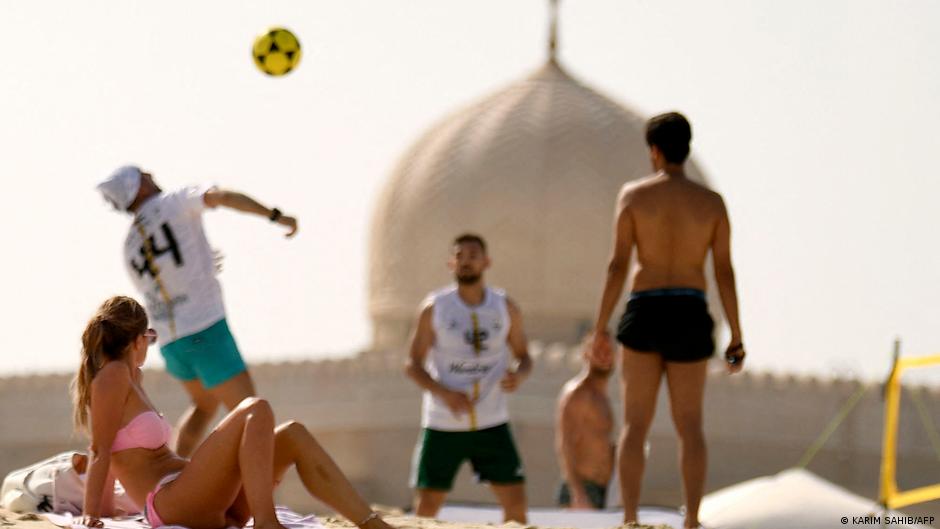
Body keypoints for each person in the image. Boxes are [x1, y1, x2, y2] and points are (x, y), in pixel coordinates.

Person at [71, 296, 393, 529]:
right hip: (172, 501)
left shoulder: (132, 378)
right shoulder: (113, 375)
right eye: (150, 339)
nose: (150, 345)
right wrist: (92, 514)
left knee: (293, 434)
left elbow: (113, 449)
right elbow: (101, 449)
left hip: (202, 498)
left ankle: (372, 523)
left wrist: (106, 510)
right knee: (256, 408)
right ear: (137, 339)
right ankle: (266, 523)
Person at [587, 112, 745, 529]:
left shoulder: (634, 197)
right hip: (691, 310)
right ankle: (691, 519)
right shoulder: (711, 203)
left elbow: (618, 264)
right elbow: (724, 271)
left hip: (646, 308)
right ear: (687, 148)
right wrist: (736, 334)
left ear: (654, 151)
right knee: (690, 425)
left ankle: (631, 518)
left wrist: (600, 326)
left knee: (635, 425)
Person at [96, 166, 298, 457]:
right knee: (254, 417)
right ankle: (257, 498)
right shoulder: (175, 202)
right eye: (144, 175)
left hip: (170, 342)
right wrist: (275, 215)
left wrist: (200, 261)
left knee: (203, 406)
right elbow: (222, 197)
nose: (153, 174)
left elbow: (162, 279)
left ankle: (168, 481)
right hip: (205, 330)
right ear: (138, 187)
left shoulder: (129, 245)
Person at [404, 234, 532, 523]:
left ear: (486, 262)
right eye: (459, 256)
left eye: (473, 255)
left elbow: (524, 355)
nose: (466, 262)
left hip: (491, 419)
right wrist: (445, 393)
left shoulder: (504, 307)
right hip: (444, 421)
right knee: (427, 506)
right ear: (451, 263)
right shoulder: (434, 308)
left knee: (516, 503)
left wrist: (519, 376)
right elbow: (412, 364)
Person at [555, 339, 614, 510]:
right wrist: (577, 492)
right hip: (582, 490)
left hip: (603, 489)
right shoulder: (577, 393)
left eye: (608, 351)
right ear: (586, 354)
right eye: (598, 351)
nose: (604, 356)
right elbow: (565, 443)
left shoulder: (601, 396)